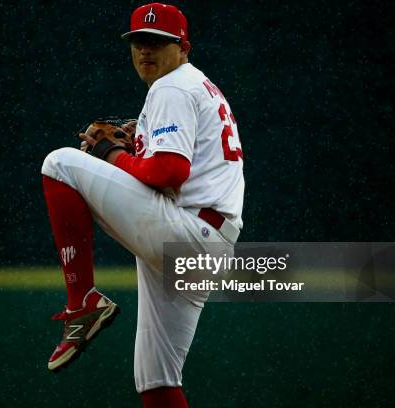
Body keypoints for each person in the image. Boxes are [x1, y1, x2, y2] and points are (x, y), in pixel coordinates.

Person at [41, 3, 244, 407]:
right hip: (206, 242)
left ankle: (82, 303)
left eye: (157, 42)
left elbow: (169, 172)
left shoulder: (171, 86)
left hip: (186, 231)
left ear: (182, 46)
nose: (145, 51)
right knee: (156, 380)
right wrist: (133, 145)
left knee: (58, 164)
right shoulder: (197, 85)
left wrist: (113, 155)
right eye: (138, 42)